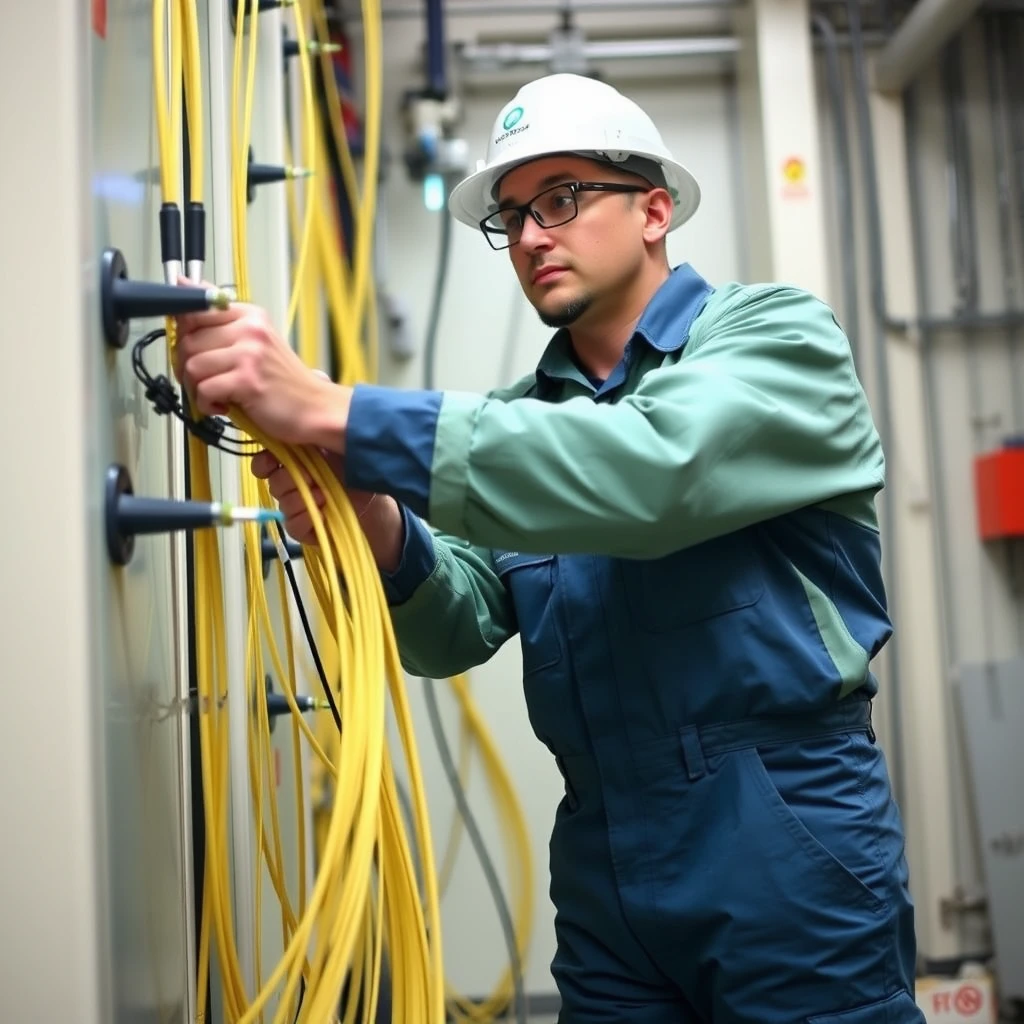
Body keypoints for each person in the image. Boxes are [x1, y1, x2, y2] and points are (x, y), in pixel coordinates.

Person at [175, 73, 925, 1024]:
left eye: (562, 198)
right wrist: (370, 516)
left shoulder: (776, 337)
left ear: (655, 209)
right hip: (606, 860)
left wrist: (336, 409)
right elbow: (453, 630)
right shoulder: (519, 424)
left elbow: (656, 471)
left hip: (784, 839)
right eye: (513, 216)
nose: (530, 236)